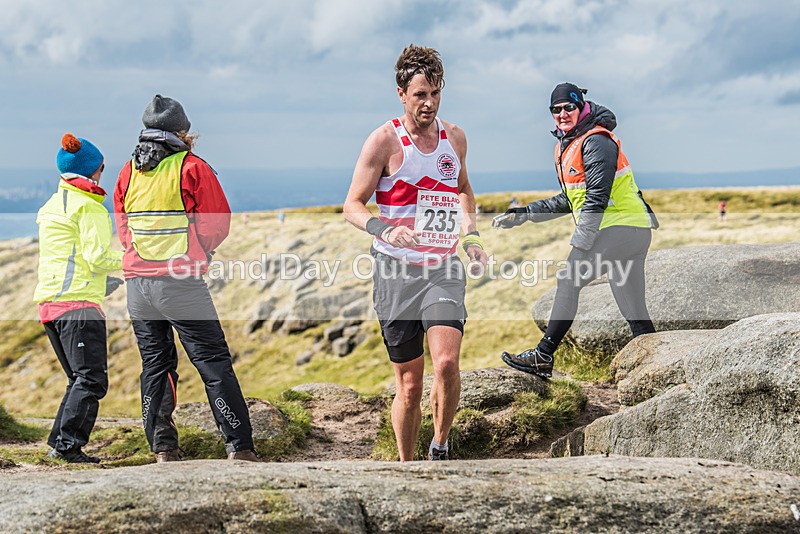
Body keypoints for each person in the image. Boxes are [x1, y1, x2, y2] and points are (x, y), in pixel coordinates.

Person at [343, 44, 488, 461]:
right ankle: (407, 468)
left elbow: (462, 190)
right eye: (420, 94)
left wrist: (472, 236)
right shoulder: (384, 141)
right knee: (409, 386)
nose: (428, 103)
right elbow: (352, 204)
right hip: (395, 272)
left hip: (442, 268)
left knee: (445, 363)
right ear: (402, 93)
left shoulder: (454, 138)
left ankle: (439, 447)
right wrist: (385, 228)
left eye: (435, 93)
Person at [114, 95, 257, 462]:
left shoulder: (129, 171)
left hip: (137, 285)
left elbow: (123, 225)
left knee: (155, 365)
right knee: (213, 362)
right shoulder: (191, 167)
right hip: (180, 283)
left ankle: (163, 449)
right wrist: (199, 251)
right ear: (182, 131)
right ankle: (239, 447)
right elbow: (216, 223)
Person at [493, 82, 658, 378]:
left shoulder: (596, 141)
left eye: (569, 107)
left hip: (619, 228)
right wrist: (525, 213)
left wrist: (581, 243)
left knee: (569, 279)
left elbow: (597, 197)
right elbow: (570, 199)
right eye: (555, 109)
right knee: (632, 305)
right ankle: (655, 363)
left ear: (581, 106)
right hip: (628, 231)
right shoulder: (567, 145)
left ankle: (543, 354)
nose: (562, 113)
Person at [34, 133, 124, 463]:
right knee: (91, 380)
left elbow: (68, 258)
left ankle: (59, 442)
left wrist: (101, 283)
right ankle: (67, 447)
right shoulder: (89, 208)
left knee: (78, 379)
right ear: (93, 170)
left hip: (50, 306)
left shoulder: (53, 205)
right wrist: (133, 259)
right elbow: (97, 256)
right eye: (102, 167)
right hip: (78, 307)